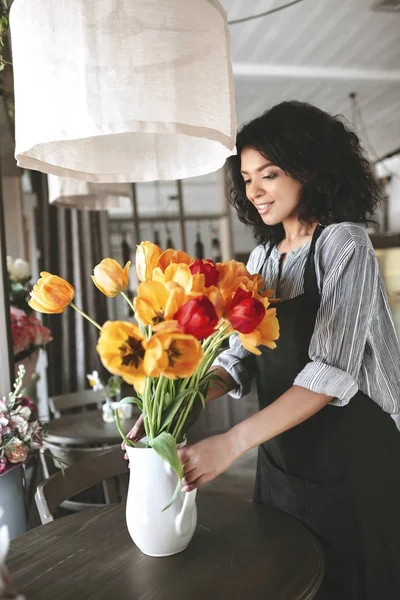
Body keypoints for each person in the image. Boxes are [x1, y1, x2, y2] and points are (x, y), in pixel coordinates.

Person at [128, 101, 400, 599]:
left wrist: (230, 444)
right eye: (247, 178)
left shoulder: (345, 246)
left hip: (353, 455)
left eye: (268, 174)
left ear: (309, 168)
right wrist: (175, 406)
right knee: (291, 577)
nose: (254, 191)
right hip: (283, 454)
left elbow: (329, 373)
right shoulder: (261, 259)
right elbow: (237, 359)